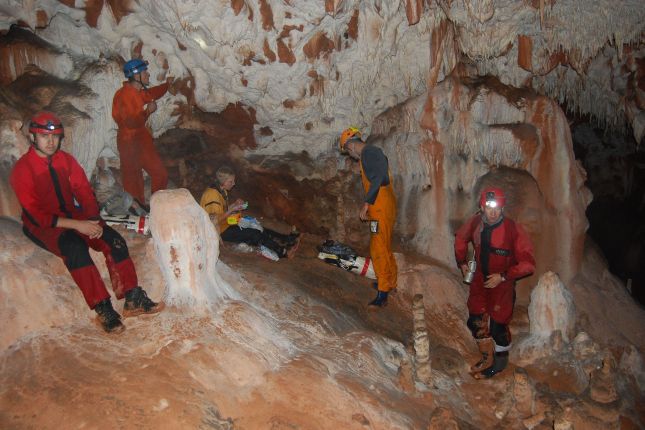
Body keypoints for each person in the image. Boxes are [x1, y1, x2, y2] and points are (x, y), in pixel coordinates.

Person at [10, 112, 163, 334]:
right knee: (75, 248)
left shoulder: (65, 160)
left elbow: (83, 192)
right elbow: (36, 214)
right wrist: (77, 225)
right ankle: (103, 308)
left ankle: (132, 297)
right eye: (44, 136)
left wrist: (93, 220)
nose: (51, 142)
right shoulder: (24, 169)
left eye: (55, 137)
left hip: (71, 214)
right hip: (41, 225)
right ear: (33, 137)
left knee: (113, 239)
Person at [454, 187, 535, 378]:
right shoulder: (475, 222)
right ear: (482, 206)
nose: (493, 212)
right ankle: (486, 355)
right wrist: (462, 262)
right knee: (475, 321)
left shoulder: (513, 230)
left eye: (497, 207)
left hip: (502, 283)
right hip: (480, 279)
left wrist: (504, 276)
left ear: (502, 208)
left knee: (498, 327)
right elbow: (460, 239)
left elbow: (529, 264)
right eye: (489, 207)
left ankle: (499, 364)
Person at [339, 127, 397, 308]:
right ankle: (388, 282)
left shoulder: (370, 152)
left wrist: (367, 203)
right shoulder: (370, 154)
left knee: (378, 247)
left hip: (380, 206)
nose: (350, 155)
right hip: (381, 205)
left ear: (351, 145)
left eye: (347, 151)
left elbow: (378, 177)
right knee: (383, 244)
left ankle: (382, 294)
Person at [199, 166, 300, 259]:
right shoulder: (212, 195)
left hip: (225, 223)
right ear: (223, 182)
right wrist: (231, 210)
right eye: (231, 181)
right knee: (255, 234)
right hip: (219, 231)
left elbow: (222, 210)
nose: (233, 184)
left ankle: (286, 239)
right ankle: (283, 252)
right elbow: (213, 221)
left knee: (257, 226)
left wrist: (234, 205)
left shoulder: (221, 190)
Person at [112, 58, 172, 212]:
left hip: (140, 138)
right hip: (128, 140)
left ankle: (156, 205)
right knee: (133, 178)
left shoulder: (137, 92)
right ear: (136, 75)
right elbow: (131, 121)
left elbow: (151, 93)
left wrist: (167, 85)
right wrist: (148, 112)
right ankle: (136, 209)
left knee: (160, 173)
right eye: (145, 71)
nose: (148, 74)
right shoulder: (124, 95)